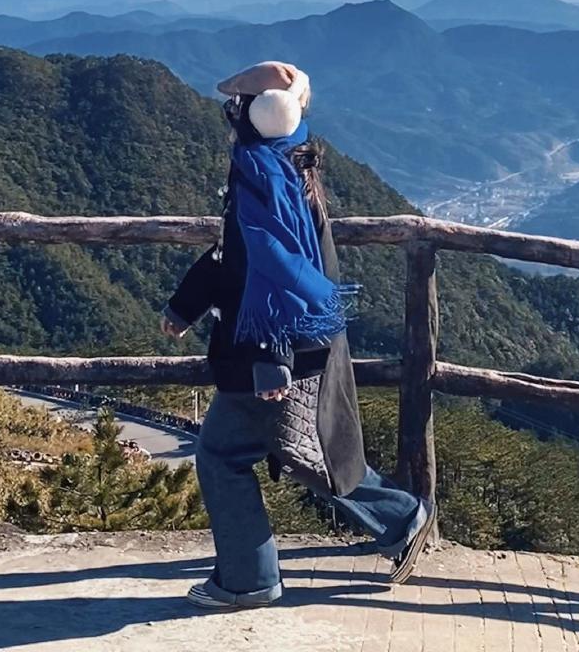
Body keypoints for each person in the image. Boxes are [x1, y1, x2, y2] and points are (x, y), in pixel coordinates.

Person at [161, 60, 435, 611]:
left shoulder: (264, 180)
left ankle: (249, 580)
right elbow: (232, 258)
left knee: (224, 457)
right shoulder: (291, 159)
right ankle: (401, 518)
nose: (230, 116)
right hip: (295, 343)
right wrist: (185, 305)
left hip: (270, 348)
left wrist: (271, 358)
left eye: (237, 109)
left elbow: (275, 274)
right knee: (310, 448)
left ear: (252, 118)